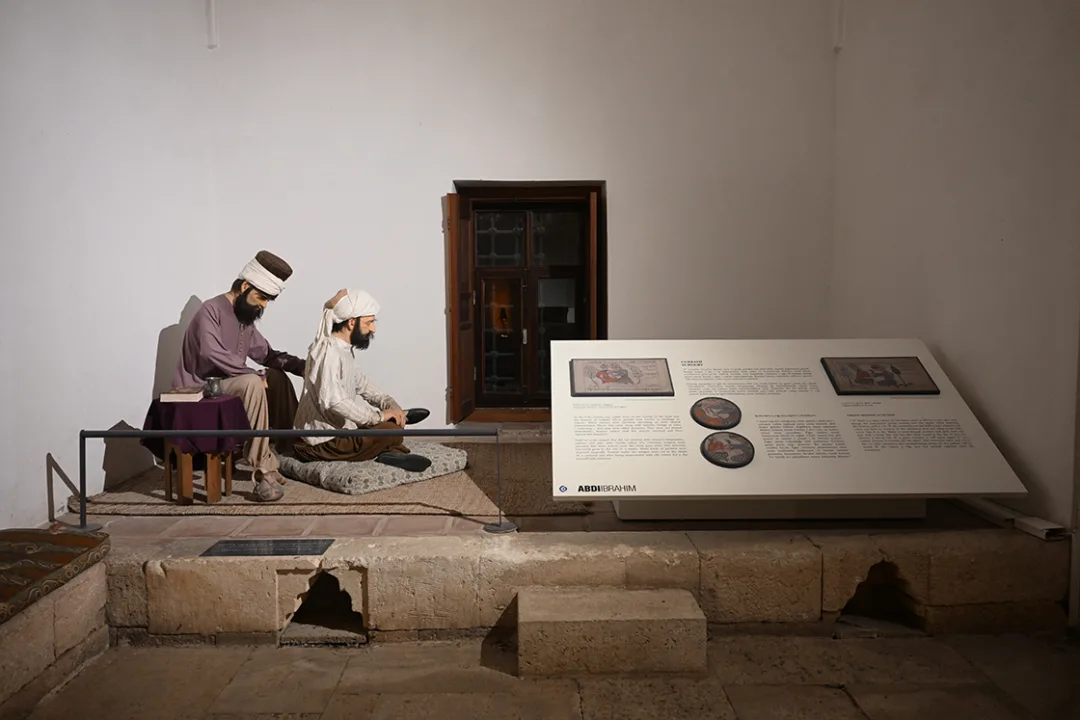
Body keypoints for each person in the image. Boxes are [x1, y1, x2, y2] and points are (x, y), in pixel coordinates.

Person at [172, 250, 305, 502]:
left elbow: (266, 354)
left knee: (275, 376)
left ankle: (289, 449)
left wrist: (302, 367)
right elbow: (210, 353)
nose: (264, 305)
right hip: (200, 388)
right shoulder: (210, 309)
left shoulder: (245, 317)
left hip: (228, 385)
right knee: (254, 381)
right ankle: (263, 471)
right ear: (245, 286)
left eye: (268, 300)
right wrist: (251, 373)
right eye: (262, 298)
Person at [292, 288, 431, 472]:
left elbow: (363, 385)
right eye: (369, 323)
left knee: (389, 425)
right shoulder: (329, 353)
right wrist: (378, 417)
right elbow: (336, 403)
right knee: (388, 431)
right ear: (351, 323)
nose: (373, 329)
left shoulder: (343, 349)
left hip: (340, 432)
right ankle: (390, 447)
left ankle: (396, 428)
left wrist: (389, 405)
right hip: (321, 442)